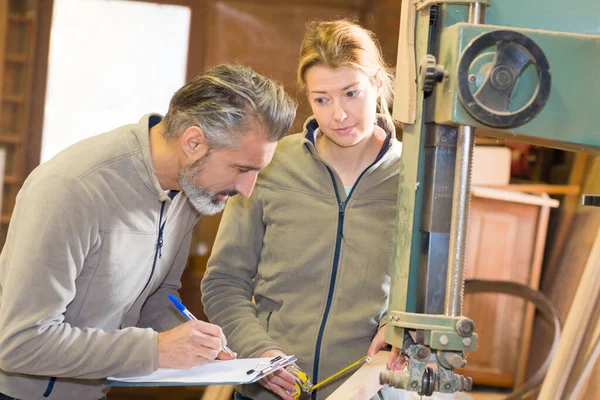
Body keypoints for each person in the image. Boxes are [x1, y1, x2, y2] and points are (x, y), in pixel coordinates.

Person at [0, 64, 296, 400]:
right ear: (194, 142)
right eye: (242, 169)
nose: (247, 189)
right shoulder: (73, 189)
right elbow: (20, 343)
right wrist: (155, 349)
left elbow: (157, 298)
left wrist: (196, 344)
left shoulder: (187, 189)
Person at [202, 20, 404, 400]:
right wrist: (260, 352)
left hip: (366, 391)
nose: (338, 115)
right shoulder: (271, 165)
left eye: (351, 93)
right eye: (322, 99)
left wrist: (398, 328)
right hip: (267, 391)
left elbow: (427, 293)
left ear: (377, 83)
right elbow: (223, 282)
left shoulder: (410, 178)